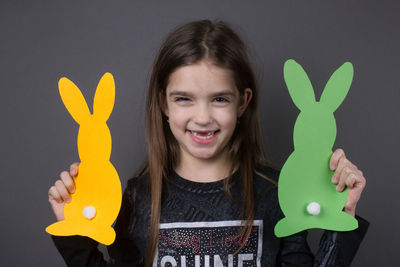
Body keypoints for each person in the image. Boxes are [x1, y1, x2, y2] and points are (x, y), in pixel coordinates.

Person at [48, 20, 368, 266]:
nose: (202, 117)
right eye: (184, 99)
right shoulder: (137, 197)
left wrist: (345, 218)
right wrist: (74, 234)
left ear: (242, 103)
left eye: (219, 99)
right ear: (163, 103)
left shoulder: (276, 193)